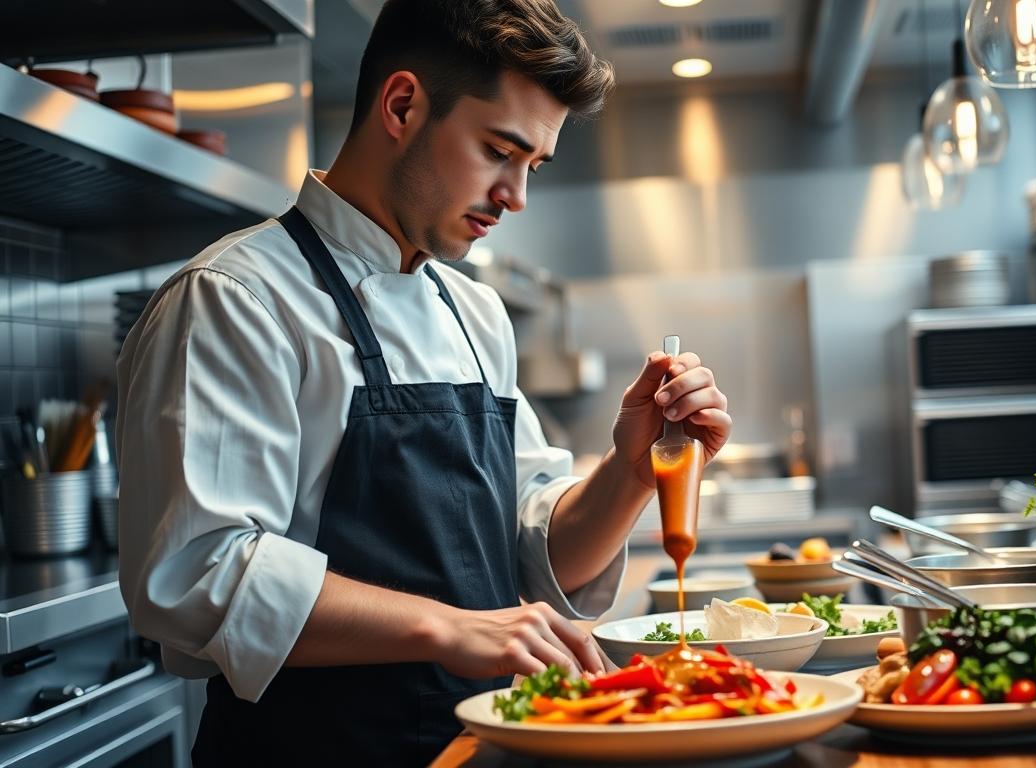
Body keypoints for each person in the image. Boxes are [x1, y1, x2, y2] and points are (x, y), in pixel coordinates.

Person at [115, 1, 732, 764]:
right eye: (498, 151)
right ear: (402, 105)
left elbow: (530, 566)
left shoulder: (473, 311)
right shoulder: (236, 299)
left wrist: (632, 473)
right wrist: (452, 625)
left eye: (532, 166)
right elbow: (197, 571)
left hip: (470, 749)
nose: (517, 196)